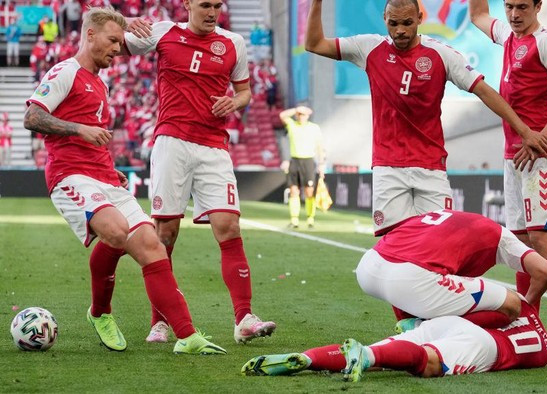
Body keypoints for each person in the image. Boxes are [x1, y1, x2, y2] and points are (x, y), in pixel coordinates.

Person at [23, 6, 225, 355]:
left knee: (152, 246)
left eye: (120, 41)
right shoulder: (65, 72)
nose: (119, 49)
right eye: (113, 40)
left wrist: (108, 166)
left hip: (103, 176)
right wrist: (79, 129)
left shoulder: (98, 82)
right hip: (70, 175)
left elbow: (94, 135)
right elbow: (32, 117)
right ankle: (100, 312)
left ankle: (188, 336)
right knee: (116, 232)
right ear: (90, 35)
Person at [305, 0, 547, 236]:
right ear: (384, 20)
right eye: (393, 24)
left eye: (407, 23)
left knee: (439, 242)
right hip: (387, 167)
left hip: (431, 167)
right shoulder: (369, 47)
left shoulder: (441, 54)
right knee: (393, 246)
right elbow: (314, 44)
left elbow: (485, 92)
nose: (400, 30)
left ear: (420, 18)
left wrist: (525, 131)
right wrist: (316, 3)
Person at [123, 0, 276, 344]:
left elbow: (245, 91)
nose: (212, 12)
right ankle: (159, 321)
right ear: (188, 4)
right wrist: (127, 22)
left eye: (217, 6)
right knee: (165, 235)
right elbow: (117, 46)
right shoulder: (164, 32)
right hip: (171, 142)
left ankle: (244, 318)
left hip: (213, 146)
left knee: (229, 225)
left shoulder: (233, 43)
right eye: (205, 5)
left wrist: (235, 102)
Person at [469, 0, 547, 356]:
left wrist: (542, 137)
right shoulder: (506, 35)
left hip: (541, 156)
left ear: (538, 6)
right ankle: (526, 321)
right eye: (509, 6)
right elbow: (476, 15)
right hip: (512, 155)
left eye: (522, 6)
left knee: (542, 241)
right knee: (518, 243)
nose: (514, 14)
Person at [242, 295, 547, 382]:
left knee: (386, 349)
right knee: (427, 363)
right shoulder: (544, 350)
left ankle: (311, 358)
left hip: (454, 324)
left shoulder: (515, 302)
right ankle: (366, 357)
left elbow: (485, 314)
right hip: (487, 348)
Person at [355, 209, 547, 331]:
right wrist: (526, 309)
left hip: (369, 266)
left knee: (426, 281)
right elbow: (546, 271)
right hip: (411, 278)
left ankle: (411, 330)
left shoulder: (445, 217)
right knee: (512, 303)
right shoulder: (502, 237)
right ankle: (423, 330)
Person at [279, 105, 325, 228]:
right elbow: (282, 115)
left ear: (308, 116)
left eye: (303, 114)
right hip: (295, 160)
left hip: (308, 161)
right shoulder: (292, 125)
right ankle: (294, 220)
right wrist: (296, 109)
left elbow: (320, 147)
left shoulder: (314, 128)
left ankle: (310, 218)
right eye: (299, 114)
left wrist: (321, 164)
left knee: (309, 192)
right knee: (294, 191)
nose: (301, 116)